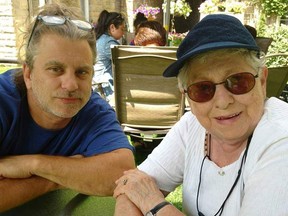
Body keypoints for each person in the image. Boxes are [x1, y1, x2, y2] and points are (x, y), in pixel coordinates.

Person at [113, 14, 288, 216]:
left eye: (238, 81)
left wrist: (154, 204)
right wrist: (135, 195)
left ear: (262, 81)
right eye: (203, 88)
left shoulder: (281, 138)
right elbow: (131, 185)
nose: (223, 101)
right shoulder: (192, 126)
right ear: (186, 95)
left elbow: (142, 192)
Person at [0, 3, 135, 212]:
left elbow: (123, 173)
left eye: (82, 72)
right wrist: (70, 173)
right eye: (55, 69)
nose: (71, 85)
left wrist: (34, 166)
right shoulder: (4, 101)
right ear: (28, 74)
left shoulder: (93, 111)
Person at [93, 10, 125, 103]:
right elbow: (123, 62)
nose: (123, 33)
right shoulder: (109, 43)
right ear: (112, 27)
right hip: (104, 88)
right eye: (122, 29)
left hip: (97, 84)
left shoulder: (100, 38)